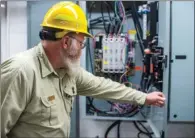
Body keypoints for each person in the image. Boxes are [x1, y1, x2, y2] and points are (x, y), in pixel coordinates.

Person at [1, 1, 166, 138]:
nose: (82, 49)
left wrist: (144, 97)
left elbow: (103, 86)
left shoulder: (67, 71)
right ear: (66, 42)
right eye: (81, 43)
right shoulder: (20, 72)